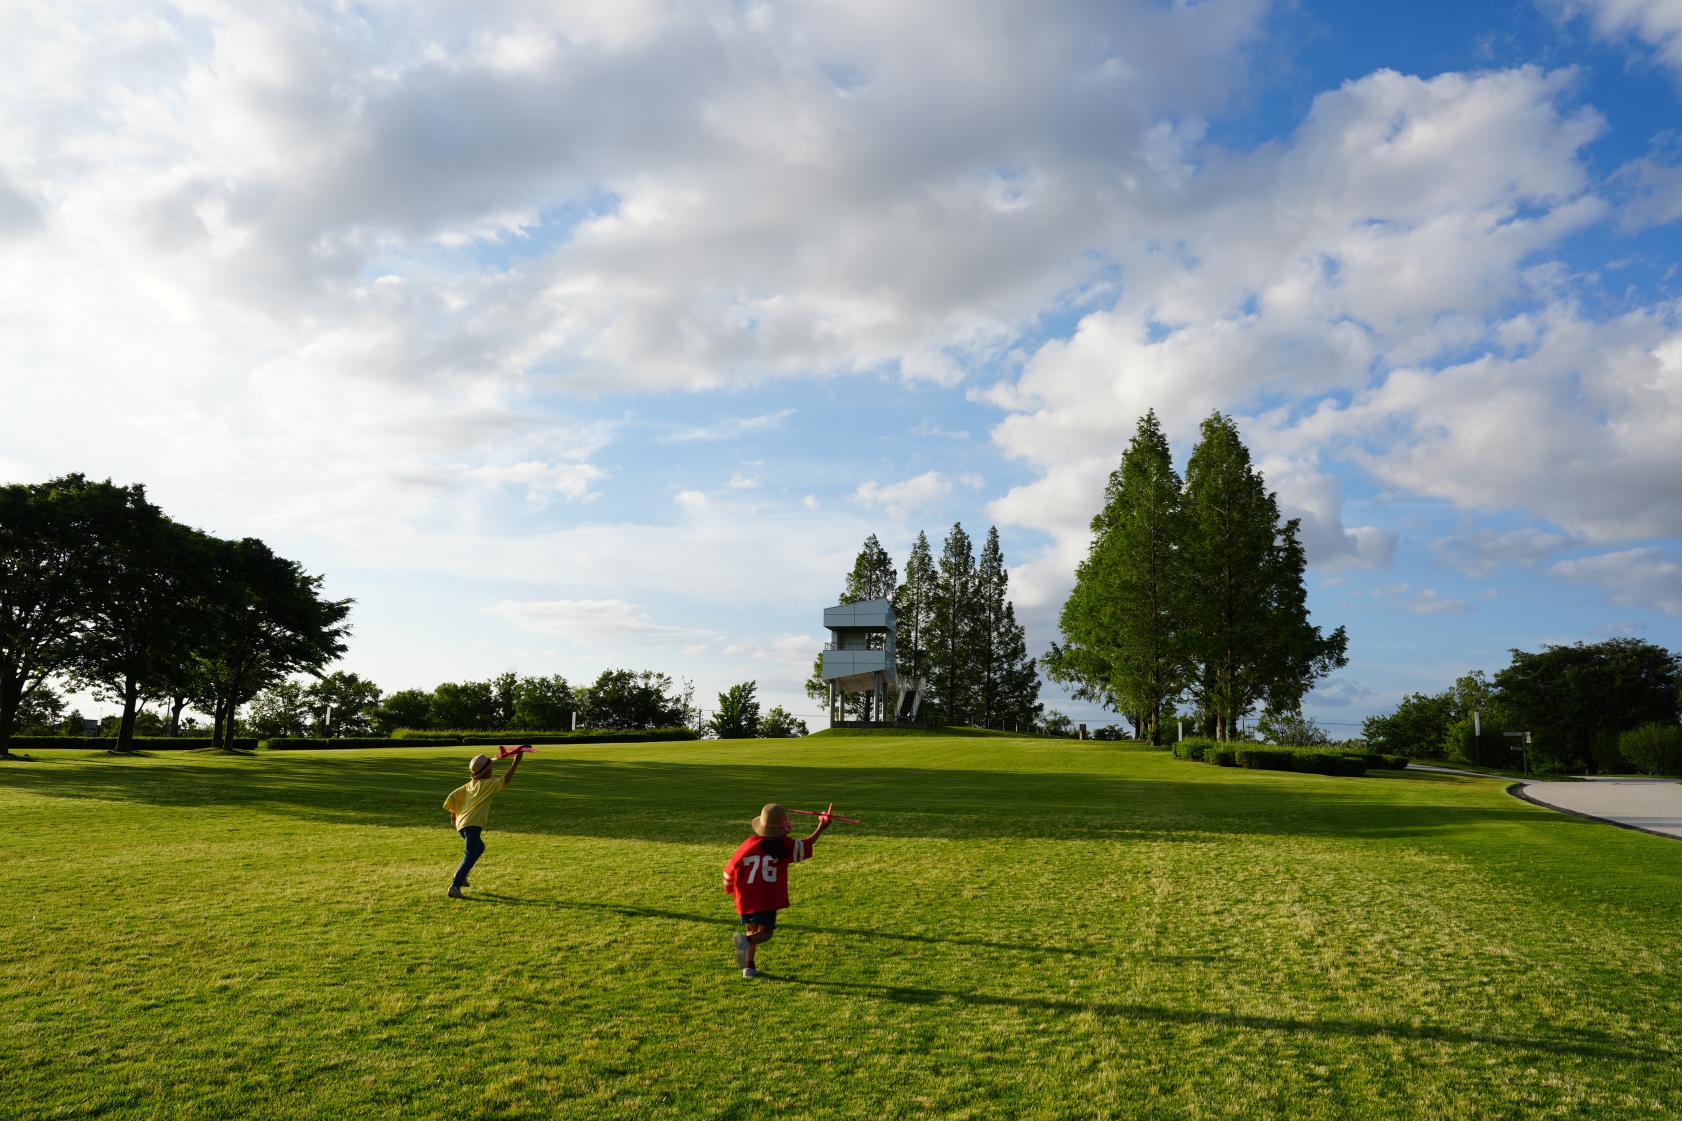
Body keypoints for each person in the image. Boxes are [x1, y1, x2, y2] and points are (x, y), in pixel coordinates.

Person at [722, 802, 831, 978]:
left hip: (746, 896)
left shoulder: (749, 844)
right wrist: (821, 827)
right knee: (765, 933)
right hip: (766, 897)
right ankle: (744, 941)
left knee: (752, 929)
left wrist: (729, 885)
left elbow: (730, 867)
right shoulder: (783, 846)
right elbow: (806, 845)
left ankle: (749, 967)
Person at [442, 749, 524, 898]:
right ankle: (455, 885)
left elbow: (453, 796)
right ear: (485, 772)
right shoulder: (487, 784)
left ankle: (461, 875)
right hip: (472, 825)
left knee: (479, 848)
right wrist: (516, 763)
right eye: (490, 768)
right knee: (469, 854)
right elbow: (505, 779)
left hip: (462, 824)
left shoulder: (470, 785)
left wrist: (453, 815)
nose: (492, 769)